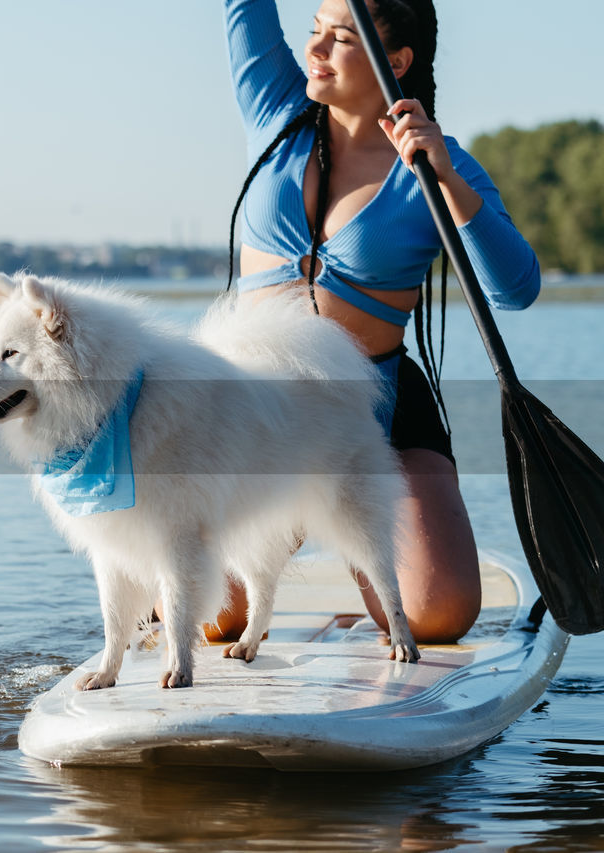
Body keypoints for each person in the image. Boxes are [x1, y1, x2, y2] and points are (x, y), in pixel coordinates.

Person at [211, 0, 541, 643]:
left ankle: (355, 541)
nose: (315, 50)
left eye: (340, 38)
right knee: (214, 620)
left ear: (397, 61)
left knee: (438, 616)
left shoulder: (436, 166)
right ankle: (298, 527)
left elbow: (517, 289)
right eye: (315, 32)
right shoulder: (275, 112)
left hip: (375, 411)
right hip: (252, 412)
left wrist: (446, 180)